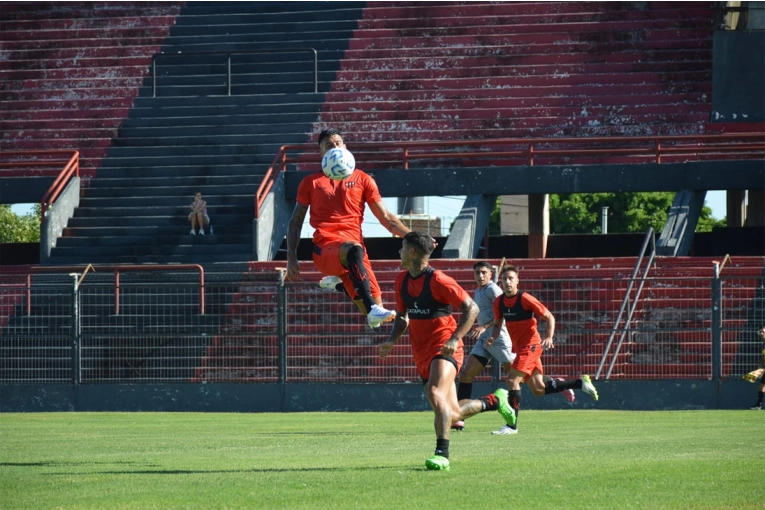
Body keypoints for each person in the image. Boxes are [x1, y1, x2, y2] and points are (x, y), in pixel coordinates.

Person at [379, 232, 517, 471]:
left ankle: (442, 454)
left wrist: (455, 338)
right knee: (450, 413)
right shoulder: (400, 281)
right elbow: (402, 317)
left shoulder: (439, 280)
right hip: (421, 352)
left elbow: (471, 308)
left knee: (435, 392)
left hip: (445, 347)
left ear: (412, 252)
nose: (399, 252)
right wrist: (391, 340)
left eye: (402, 248)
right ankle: (494, 401)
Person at [287, 128, 413, 329]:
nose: (335, 147)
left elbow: (387, 218)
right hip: (326, 249)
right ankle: (368, 303)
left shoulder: (363, 179)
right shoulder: (310, 182)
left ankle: (340, 284)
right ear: (321, 153)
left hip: (355, 254)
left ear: (345, 147)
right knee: (355, 255)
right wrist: (291, 257)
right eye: (328, 145)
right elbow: (295, 221)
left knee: (375, 319)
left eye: (338, 143)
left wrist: (414, 236)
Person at [452, 261, 575, 432]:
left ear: (490, 274)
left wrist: (484, 328)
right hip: (485, 340)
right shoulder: (477, 291)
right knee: (466, 375)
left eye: (483, 273)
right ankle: (459, 418)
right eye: (477, 272)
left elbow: (499, 316)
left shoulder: (494, 290)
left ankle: (554, 383)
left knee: (519, 377)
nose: (480, 276)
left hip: (500, 339)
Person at [486, 265, 599, 435]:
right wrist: (493, 337)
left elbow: (549, 317)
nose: (507, 282)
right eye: (504, 279)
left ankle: (512, 426)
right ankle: (579, 383)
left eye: (511, 278)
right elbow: (497, 324)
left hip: (531, 345)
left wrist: (549, 337)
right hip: (521, 348)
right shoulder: (499, 302)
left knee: (512, 380)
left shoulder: (525, 299)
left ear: (517, 281)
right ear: (501, 282)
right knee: (538, 389)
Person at [747, 326, 765, 410]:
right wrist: (761, 364)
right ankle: (758, 405)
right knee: (761, 385)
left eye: (763, 332)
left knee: (762, 385)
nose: (761, 334)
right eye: (760, 332)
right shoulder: (763, 344)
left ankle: (758, 405)